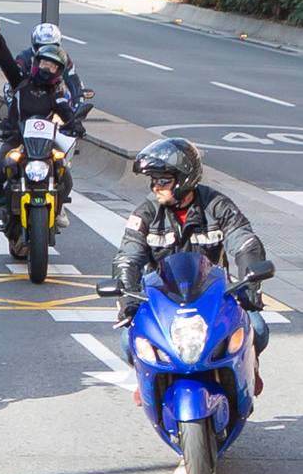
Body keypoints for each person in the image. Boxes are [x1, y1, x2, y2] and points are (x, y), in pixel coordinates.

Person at [110, 138, 274, 388]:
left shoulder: (218, 206)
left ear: (184, 178)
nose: (156, 187)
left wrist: (250, 284)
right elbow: (128, 256)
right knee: (127, 341)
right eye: (153, 180)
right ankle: (149, 381)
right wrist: (127, 299)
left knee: (259, 330)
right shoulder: (146, 213)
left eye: (163, 180)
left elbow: (244, 242)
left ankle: (247, 371)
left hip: (214, 294)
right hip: (163, 299)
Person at [0, 41, 86, 228]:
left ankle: (58, 207)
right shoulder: (20, 84)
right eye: (45, 63)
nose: (48, 68)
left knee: (66, 177)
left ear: (58, 71)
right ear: (37, 63)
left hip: (45, 143)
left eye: (53, 66)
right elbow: (6, 62)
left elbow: (66, 113)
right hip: (16, 140)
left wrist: (75, 124)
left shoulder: (56, 94)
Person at [0, 15, 87, 102]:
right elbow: (12, 72)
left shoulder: (63, 59)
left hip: (54, 102)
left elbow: (73, 79)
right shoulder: (24, 58)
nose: (47, 52)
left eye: (52, 46)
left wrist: (77, 102)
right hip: (29, 100)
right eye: (42, 47)